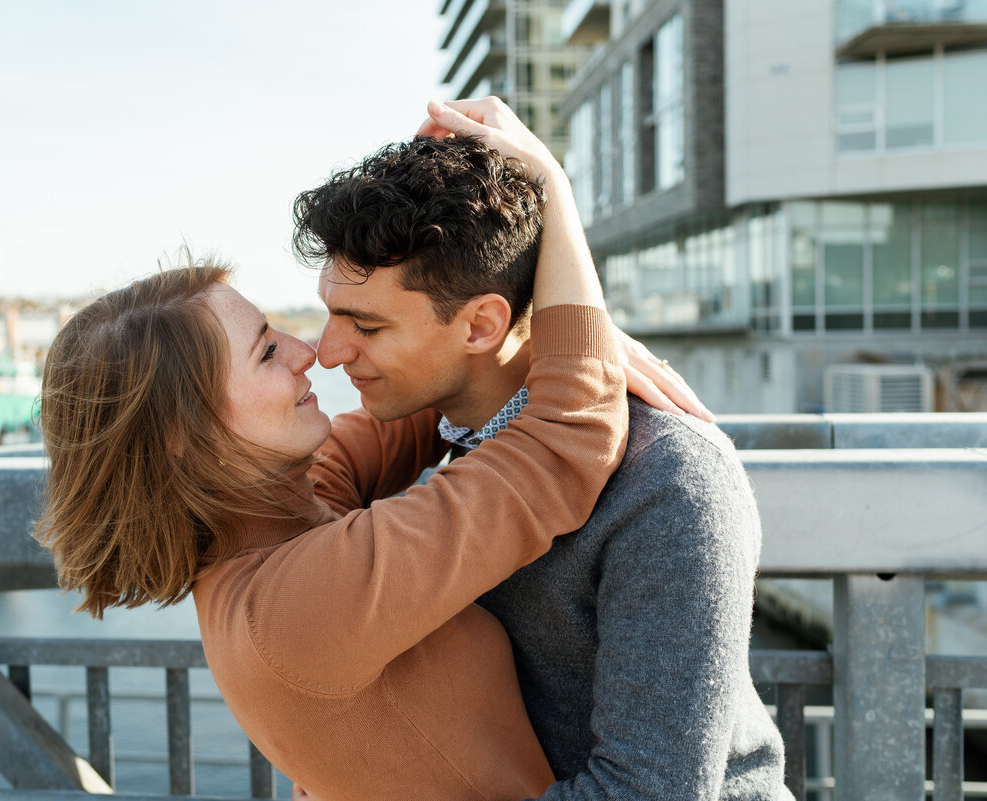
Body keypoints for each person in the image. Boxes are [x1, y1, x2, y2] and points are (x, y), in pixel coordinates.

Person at [36, 100, 644, 800]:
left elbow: (415, 404)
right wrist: (553, 191)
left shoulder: (272, 524)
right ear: (186, 436)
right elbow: (569, 438)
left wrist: (527, 328)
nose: (312, 353)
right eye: (268, 351)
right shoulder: (300, 600)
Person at [292, 97, 792, 800]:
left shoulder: (670, 483)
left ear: (480, 326)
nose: (327, 351)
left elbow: (647, 794)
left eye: (365, 327)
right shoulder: (455, 429)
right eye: (330, 313)